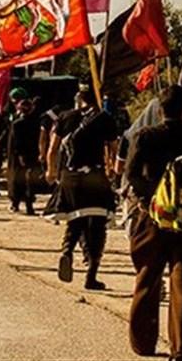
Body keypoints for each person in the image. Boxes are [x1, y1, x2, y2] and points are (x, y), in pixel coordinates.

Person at [125, 85, 182, 361]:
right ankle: (181, 349)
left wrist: (149, 198)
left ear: (159, 110)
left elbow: (131, 174)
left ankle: (143, 343)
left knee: (147, 279)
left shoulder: (145, 136)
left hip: (152, 216)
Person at [44, 87, 118, 291]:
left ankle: (67, 251)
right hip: (95, 176)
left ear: (78, 100)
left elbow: (52, 149)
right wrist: (113, 171)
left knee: (75, 219)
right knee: (98, 226)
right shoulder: (105, 118)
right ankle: (91, 275)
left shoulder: (64, 117)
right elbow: (114, 149)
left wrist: (51, 171)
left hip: (70, 176)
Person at [6, 87, 41, 215]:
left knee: (18, 180)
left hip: (19, 156)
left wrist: (19, 154)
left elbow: (16, 141)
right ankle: (27, 205)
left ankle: (17, 203)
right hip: (31, 154)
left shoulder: (17, 123)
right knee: (29, 180)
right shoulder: (36, 122)